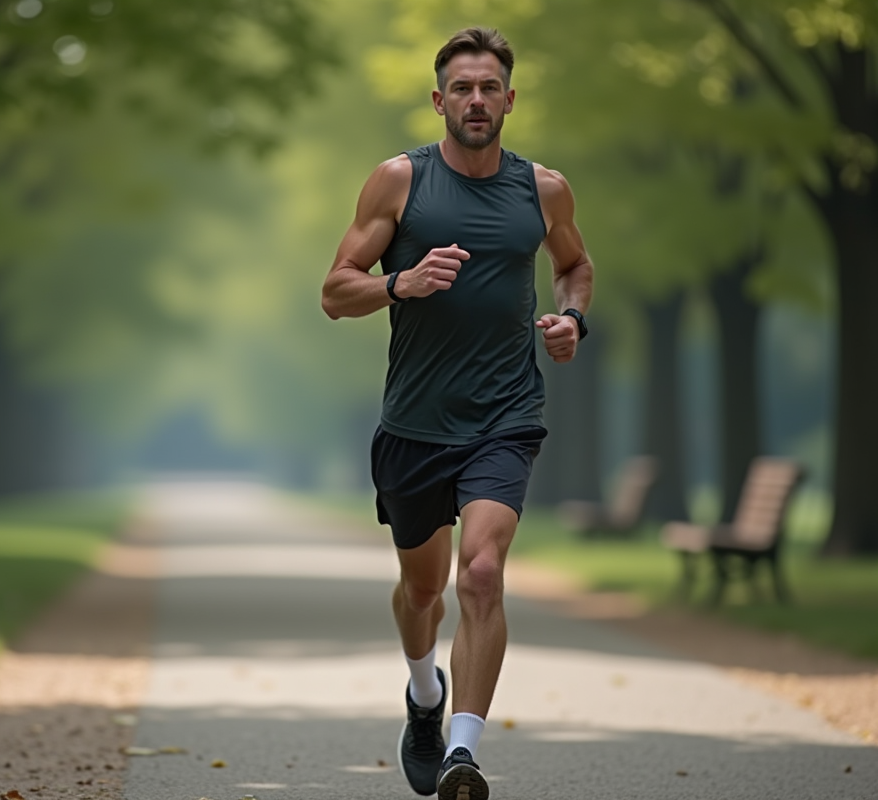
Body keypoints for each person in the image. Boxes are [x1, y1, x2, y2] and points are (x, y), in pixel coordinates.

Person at [320, 26, 594, 800]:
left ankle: (462, 756)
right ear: (439, 100)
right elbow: (335, 291)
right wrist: (398, 283)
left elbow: (575, 265)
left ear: (511, 99)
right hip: (414, 422)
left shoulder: (543, 189)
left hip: (505, 415)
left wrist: (573, 320)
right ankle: (424, 696)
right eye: (463, 88)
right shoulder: (398, 182)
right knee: (422, 591)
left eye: (490, 87)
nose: (477, 99)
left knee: (480, 572)